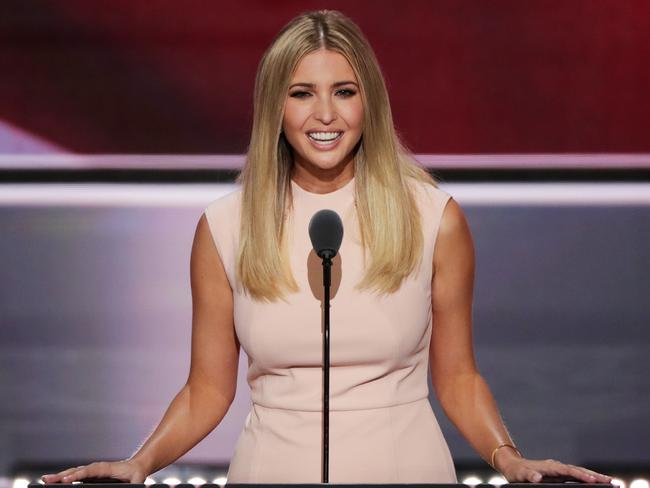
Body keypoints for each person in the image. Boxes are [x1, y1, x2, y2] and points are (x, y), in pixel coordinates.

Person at [42, 10, 612, 485]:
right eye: (301, 94)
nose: (325, 115)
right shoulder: (225, 226)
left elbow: (458, 376)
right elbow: (207, 389)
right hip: (271, 469)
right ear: (275, 107)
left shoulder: (433, 218)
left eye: (344, 92)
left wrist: (507, 458)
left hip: (404, 468)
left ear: (370, 103)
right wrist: (140, 462)